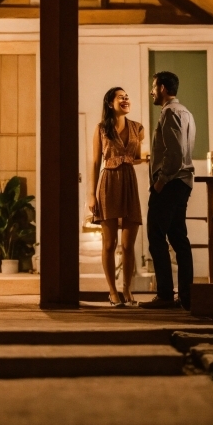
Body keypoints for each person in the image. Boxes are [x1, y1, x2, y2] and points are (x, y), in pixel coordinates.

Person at [140, 71, 195, 310]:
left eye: (154, 87)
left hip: (171, 183)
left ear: (162, 88)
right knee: (178, 239)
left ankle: (165, 295)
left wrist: (160, 182)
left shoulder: (170, 112)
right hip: (182, 182)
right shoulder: (186, 112)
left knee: (156, 236)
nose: (152, 91)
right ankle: (186, 296)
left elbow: (174, 153)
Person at [88, 87, 145, 307]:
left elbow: (139, 156)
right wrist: (91, 195)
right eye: (120, 97)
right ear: (110, 103)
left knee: (128, 244)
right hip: (109, 183)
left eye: (127, 97)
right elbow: (94, 162)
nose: (126, 99)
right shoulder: (101, 129)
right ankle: (112, 292)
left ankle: (127, 290)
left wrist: (145, 159)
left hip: (129, 183)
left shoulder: (138, 128)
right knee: (109, 244)